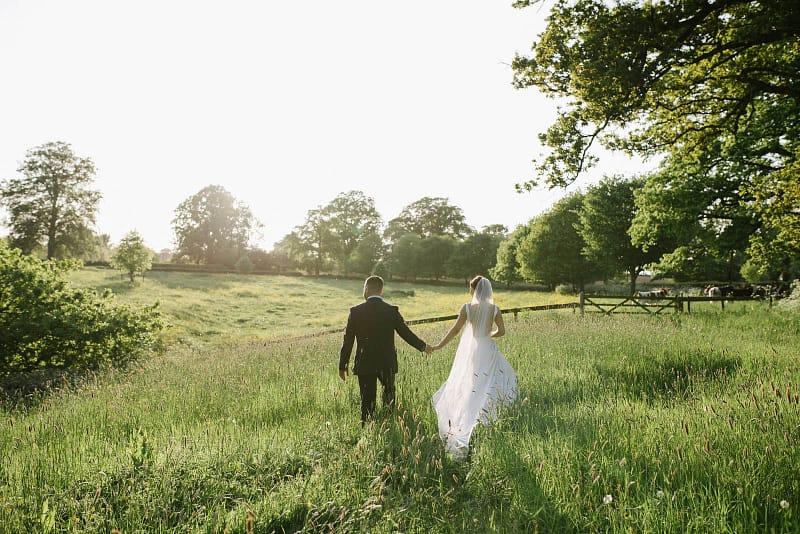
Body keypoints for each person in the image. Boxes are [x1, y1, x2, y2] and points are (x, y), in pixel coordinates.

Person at [430, 275, 517, 460]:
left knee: (470, 384)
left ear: (474, 290)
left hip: (472, 351)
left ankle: (464, 420)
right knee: (490, 383)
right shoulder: (494, 309)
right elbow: (501, 331)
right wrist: (489, 334)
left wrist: (438, 346)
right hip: (488, 349)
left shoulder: (467, 308)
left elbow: (455, 330)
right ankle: (485, 416)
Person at [339, 275, 433, 426]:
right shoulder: (391, 311)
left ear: (366, 289)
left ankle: (367, 430)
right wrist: (423, 347)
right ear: (381, 290)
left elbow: (348, 341)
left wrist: (342, 366)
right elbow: (406, 333)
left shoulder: (356, 312)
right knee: (389, 396)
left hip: (365, 363)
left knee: (367, 400)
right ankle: (389, 424)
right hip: (386, 362)